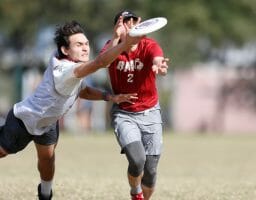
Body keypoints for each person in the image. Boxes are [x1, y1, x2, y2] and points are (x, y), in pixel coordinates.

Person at [0, 20, 140, 200]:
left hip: (48, 123)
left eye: (87, 44)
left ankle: (45, 194)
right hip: (25, 120)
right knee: (3, 152)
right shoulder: (65, 70)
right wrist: (124, 43)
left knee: (47, 159)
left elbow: (84, 90)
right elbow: (100, 63)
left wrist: (110, 97)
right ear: (65, 50)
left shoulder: (70, 63)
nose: (85, 48)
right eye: (79, 45)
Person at [100, 10, 169, 200]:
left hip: (150, 112)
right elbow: (103, 61)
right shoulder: (111, 47)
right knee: (137, 159)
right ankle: (135, 192)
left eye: (135, 22)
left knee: (151, 170)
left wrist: (160, 66)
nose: (132, 26)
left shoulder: (149, 45)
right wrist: (116, 39)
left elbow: (157, 58)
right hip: (124, 114)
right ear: (117, 28)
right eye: (126, 22)